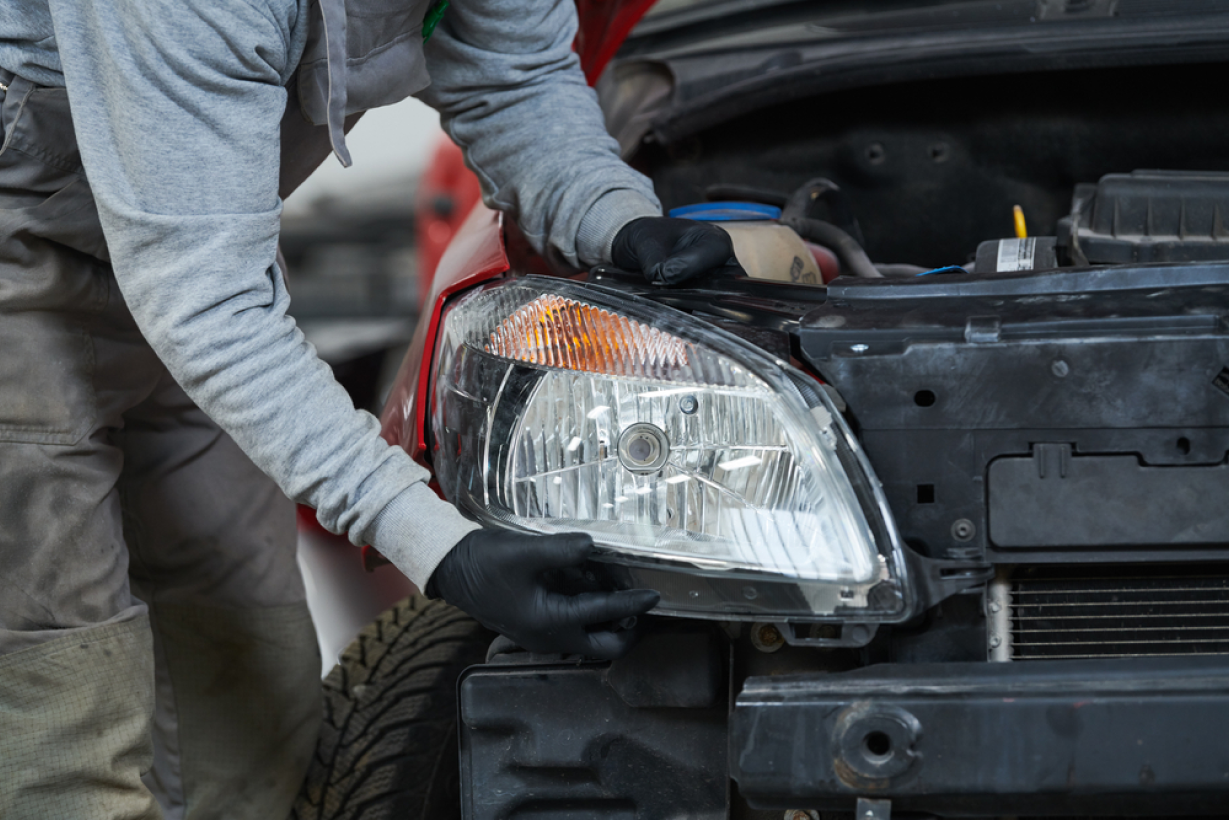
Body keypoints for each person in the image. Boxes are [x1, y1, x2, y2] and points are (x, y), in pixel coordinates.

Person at [0, 0, 734, 817]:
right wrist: (436, 545)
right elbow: (203, 304)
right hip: (29, 268)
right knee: (68, 711)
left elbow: (515, 80)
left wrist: (617, 219)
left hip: (191, 239)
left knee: (254, 681)